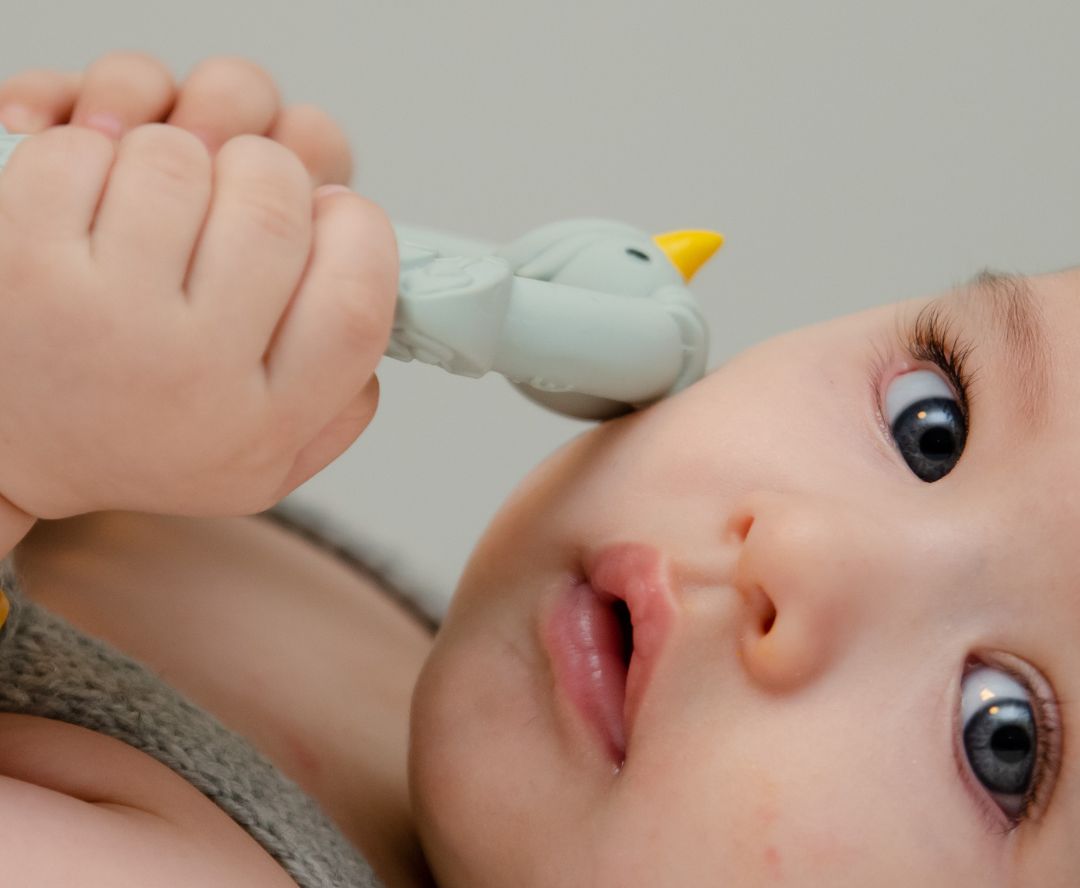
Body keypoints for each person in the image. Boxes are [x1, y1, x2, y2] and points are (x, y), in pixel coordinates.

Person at [0, 53, 1074, 887]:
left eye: (1003, 739)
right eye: (933, 423)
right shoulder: (406, 657)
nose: (803, 548)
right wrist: (124, 229)